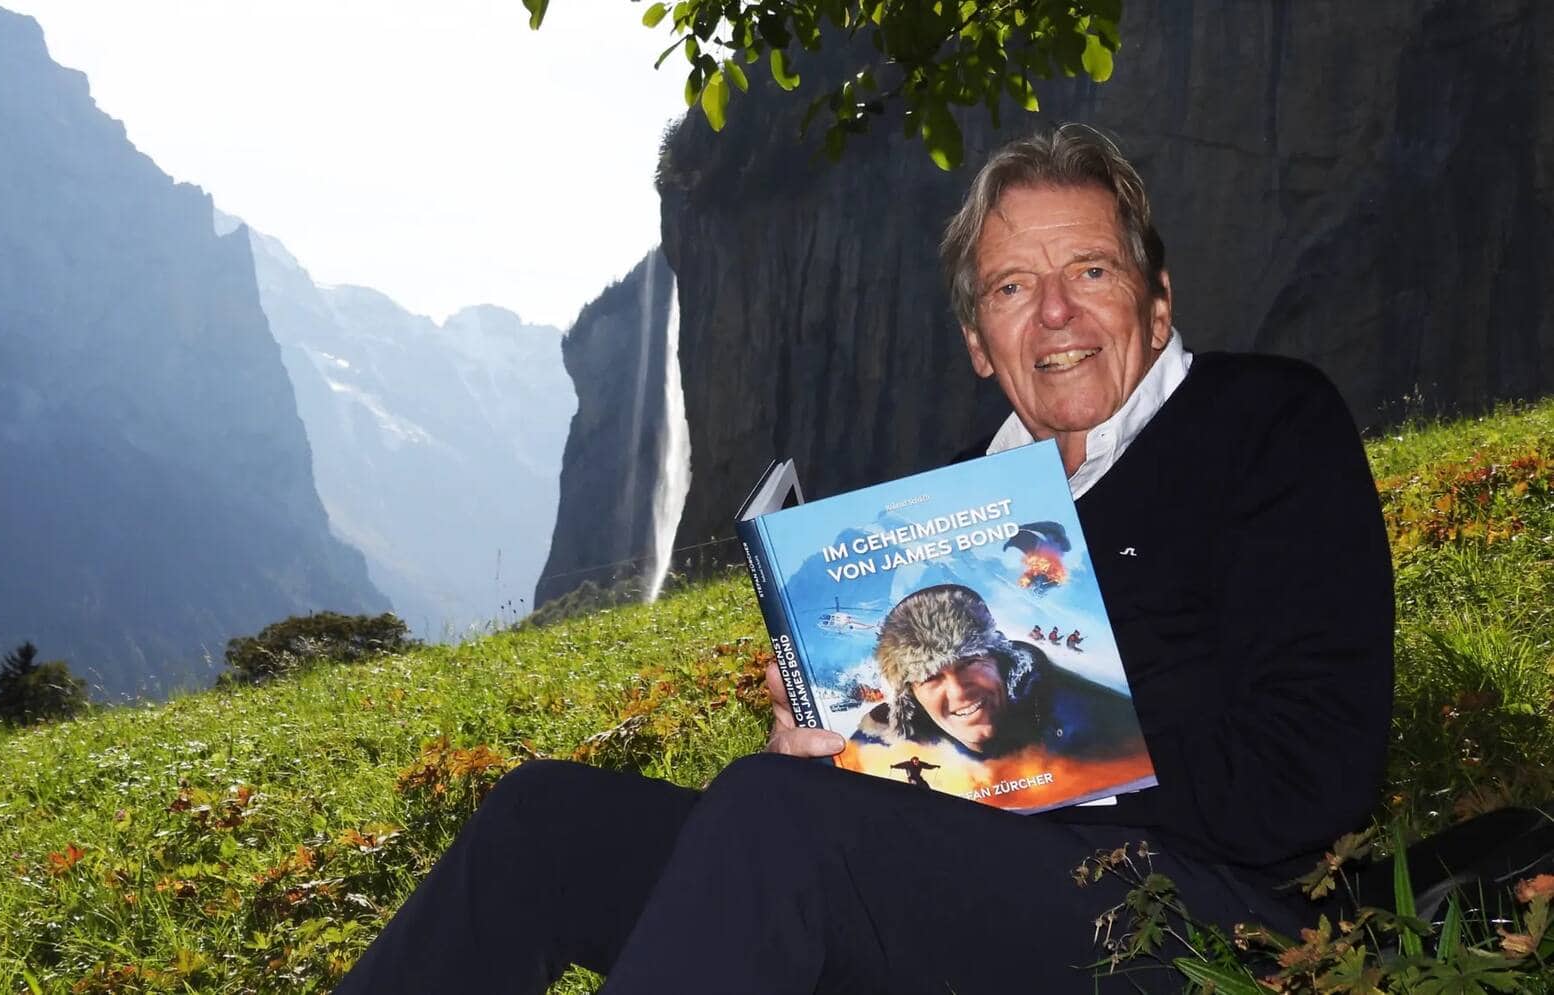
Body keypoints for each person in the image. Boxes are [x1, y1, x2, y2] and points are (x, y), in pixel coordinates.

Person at [333, 123, 1393, 994]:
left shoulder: (1265, 423)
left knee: (778, 822)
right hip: (951, 877)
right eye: (1013, 288)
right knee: (547, 818)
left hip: (1194, 913)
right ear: (980, 341)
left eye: (1091, 269)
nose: (1057, 312)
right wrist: (844, 738)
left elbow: (1312, 774)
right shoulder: (952, 510)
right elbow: (917, 775)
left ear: (1156, 302)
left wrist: (1031, 762)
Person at [850, 583, 1144, 762]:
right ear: (910, 695)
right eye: (931, 677)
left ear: (1001, 661)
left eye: (969, 663)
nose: (959, 691)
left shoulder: (1100, 721)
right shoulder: (875, 745)